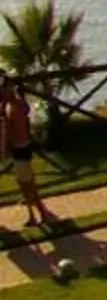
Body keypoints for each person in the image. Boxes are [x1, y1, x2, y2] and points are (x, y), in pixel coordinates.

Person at [3, 80, 46, 232]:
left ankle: (36, 215)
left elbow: (14, 131)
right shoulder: (17, 105)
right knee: (26, 182)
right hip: (23, 147)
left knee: (26, 184)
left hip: (19, 148)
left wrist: (6, 147)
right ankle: (40, 212)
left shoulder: (13, 108)